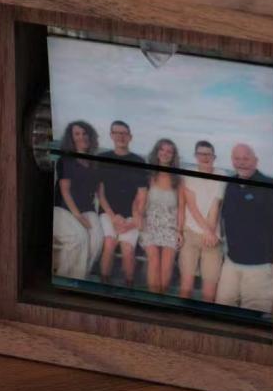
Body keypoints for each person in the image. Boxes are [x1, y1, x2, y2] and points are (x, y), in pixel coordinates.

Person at [216, 143, 273, 313]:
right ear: (232, 161)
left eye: (246, 158)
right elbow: (224, 218)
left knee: (253, 315)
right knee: (222, 308)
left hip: (260, 266)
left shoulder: (271, 186)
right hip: (231, 262)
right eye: (237, 158)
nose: (241, 162)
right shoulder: (230, 185)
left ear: (255, 161)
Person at [96, 121, 148, 287]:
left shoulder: (139, 161)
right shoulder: (103, 159)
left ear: (130, 137)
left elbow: (142, 195)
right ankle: (104, 284)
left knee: (128, 249)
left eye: (124, 133)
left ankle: (129, 285)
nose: (121, 136)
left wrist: (134, 219)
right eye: (117, 133)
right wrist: (114, 218)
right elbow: (100, 195)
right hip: (108, 213)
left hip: (132, 214)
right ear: (111, 135)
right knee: (109, 243)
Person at [52, 121, 103, 280]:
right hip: (62, 208)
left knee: (96, 241)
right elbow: (65, 191)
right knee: (79, 238)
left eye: (85, 133)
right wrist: (78, 216)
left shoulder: (95, 163)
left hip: (87, 208)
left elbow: (100, 193)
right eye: (77, 134)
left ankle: (80, 277)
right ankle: (65, 279)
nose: (82, 137)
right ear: (71, 138)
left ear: (90, 136)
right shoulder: (66, 160)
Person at [178, 141, 226, 301]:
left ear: (214, 157)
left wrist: (210, 233)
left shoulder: (221, 175)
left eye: (208, 154)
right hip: (190, 235)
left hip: (213, 238)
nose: (205, 157)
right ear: (195, 156)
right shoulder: (188, 175)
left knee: (210, 291)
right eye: (201, 154)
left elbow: (215, 206)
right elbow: (192, 206)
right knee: (186, 285)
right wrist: (207, 231)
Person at [140, 138, 184, 294]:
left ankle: (161, 297)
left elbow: (181, 207)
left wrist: (179, 231)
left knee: (167, 264)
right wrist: (140, 220)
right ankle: (153, 297)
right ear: (157, 152)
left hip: (170, 225)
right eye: (162, 150)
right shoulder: (148, 175)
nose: (165, 153)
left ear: (173, 156)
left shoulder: (178, 179)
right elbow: (140, 202)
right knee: (154, 260)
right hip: (150, 223)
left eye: (169, 151)